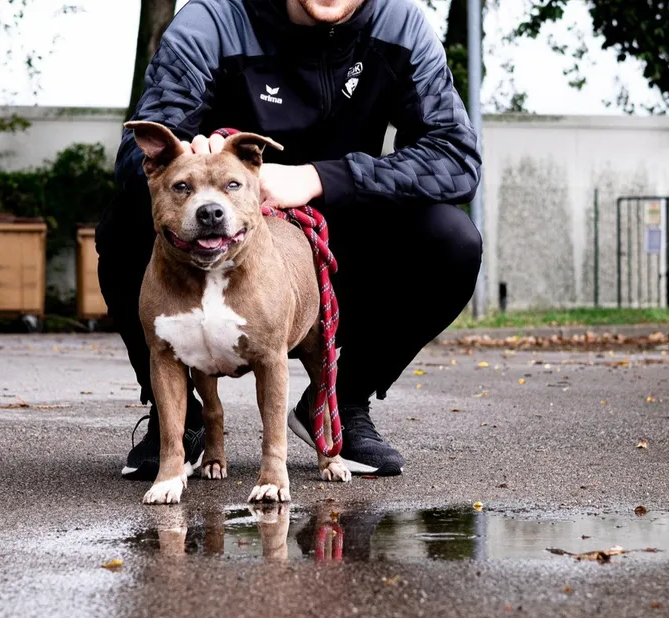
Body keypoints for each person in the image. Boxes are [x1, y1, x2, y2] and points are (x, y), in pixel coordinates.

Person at [96, 0, 483, 480]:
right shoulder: (211, 21)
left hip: (341, 228)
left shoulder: (400, 25)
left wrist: (319, 177)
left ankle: (338, 402)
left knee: (452, 241)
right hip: (218, 225)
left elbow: (456, 157)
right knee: (127, 218)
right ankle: (179, 418)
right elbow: (136, 159)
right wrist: (189, 152)